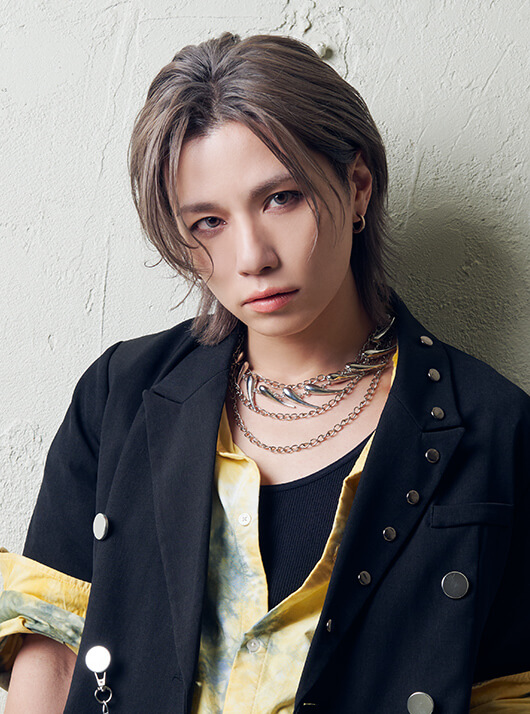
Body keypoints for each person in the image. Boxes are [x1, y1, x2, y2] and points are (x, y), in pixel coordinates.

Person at [1, 31, 529, 714]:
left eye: (281, 198)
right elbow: (51, 655)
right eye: (209, 222)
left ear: (357, 186)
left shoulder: (493, 430)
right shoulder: (120, 395)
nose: (252, 256)